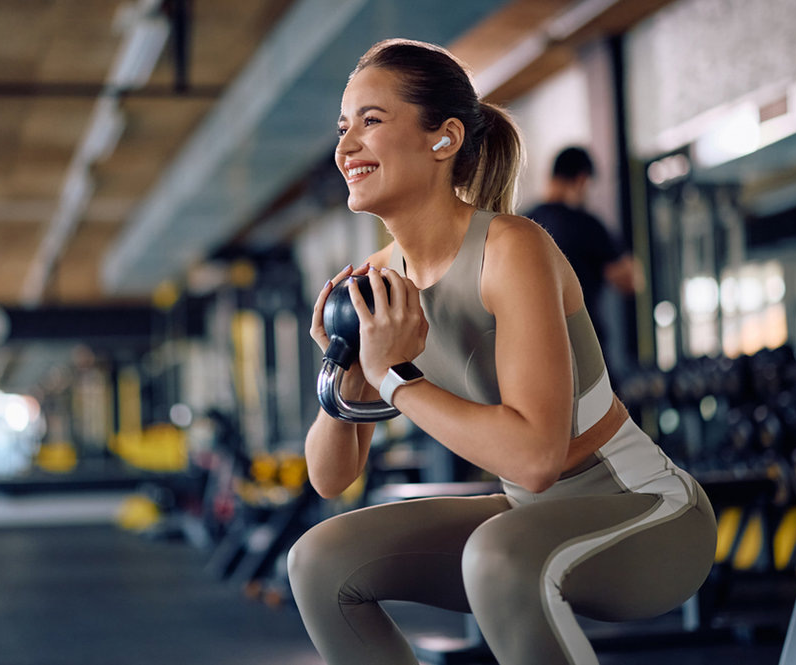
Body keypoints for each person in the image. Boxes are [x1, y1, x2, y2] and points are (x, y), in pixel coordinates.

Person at [287, 39, 716, 665]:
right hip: (525, 520)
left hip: (647, 516)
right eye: (343, 127)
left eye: (371, 122)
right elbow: (330, 477)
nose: (345, 146)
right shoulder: (378, 284)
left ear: (444, 138)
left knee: (497, 554)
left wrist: (394, 377)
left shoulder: (511, 247)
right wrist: (345, 373)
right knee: (319, 561)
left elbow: (536, 457)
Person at [526, 147, 641, 351]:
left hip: (535, 345)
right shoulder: (586, 224)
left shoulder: (522, 222)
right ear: (582, 179)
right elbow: (631, 281)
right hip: (584, 346)